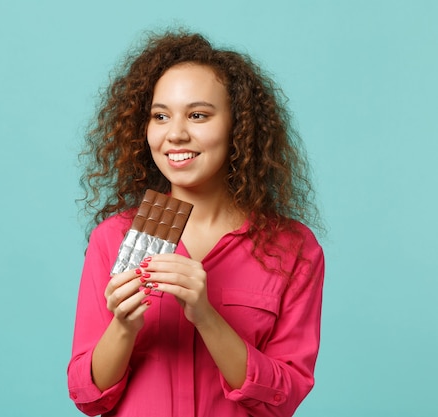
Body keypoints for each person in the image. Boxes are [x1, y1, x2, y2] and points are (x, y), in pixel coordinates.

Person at [67, 30, 325, 417]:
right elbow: (88, 397)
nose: (176, 134)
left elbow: (283, 399)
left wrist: (206, 316)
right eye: (160, 116)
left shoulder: (294, 249)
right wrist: (123, 326)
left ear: (238, 127)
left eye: (198, 115)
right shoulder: (115, 238)